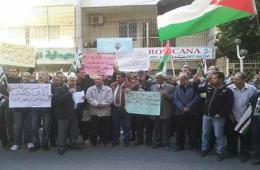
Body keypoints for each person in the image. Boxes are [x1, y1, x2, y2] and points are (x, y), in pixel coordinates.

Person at [195, 71, 234, 161]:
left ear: (220, 79)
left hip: (218, 117)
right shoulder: (209, 87)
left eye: (214, 78)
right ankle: (204, 149)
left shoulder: (227, 90)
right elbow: (198, 89)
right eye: (211, 78)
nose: (211, 79)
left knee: (218, 135)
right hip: (206, 115)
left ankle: (220, 152)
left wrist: (220, 114)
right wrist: (196, 81)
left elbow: (229, 105)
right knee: (205, 134)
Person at [226, 72, 257, 161]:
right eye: (234, 78)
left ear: (244, 80)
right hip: (232, 116)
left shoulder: (252, 89)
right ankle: (232, 151)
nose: (234, 80)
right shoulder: (229, 88)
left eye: (237, 79)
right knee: (231, 136)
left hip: (246, 118)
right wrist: (229, 113)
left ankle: (244, 154)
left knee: (245, 138)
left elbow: (254, 103)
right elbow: (225, 102)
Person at [54, 73, 81, 155]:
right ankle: (61, 146)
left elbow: (79, 100)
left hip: (75, 112)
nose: (73, 82)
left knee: (74, 130)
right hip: (64, 113)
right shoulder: (60, 89)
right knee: (62, 130)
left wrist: (83, 98)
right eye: (72, 81)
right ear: (67, 81)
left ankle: (72, 143)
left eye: (75, 81)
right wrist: (69, 93)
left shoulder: (78, 88)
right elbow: (57, 100)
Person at [173, 73, 200, 152]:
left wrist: (188, 107)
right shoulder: (177, 87)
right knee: (180, 130)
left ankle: (193, 146)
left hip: (192, 113)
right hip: (180, 112)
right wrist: (181, 107)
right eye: (179, 79)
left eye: (181, 80)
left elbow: (196, 98)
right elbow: (175, 99)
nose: (179, 81)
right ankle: (179, 145)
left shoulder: (193, 87)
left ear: (186, 79)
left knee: (192, 131)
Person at [10, 72, 35, 151]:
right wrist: (9, 91)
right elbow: (11, 94)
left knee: (29, 127)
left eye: (28, 76)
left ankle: (29, 142)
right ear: (22, 77)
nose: (25, 78)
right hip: (18, 110)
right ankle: (17, 143)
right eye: (24, 76)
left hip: (29, 110)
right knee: (17, 127)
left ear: (30, 78)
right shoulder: (15, 85)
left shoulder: (35, 86)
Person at [150, 73, 175, 150]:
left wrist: (167, 96)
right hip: (156, 112)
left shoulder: (171, 87)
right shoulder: (152, 87)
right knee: (157, 128)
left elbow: (174, 99)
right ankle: (157, 142)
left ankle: (166, 143)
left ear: (163, 79)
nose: (156, 79)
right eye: (156, 78)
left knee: (166, 129)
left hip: (166, 112)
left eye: (158, 78)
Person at [86, 75, 113, 146]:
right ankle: (93, 142)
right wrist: (97, 104)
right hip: (94, 111)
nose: (96, 80)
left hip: (105, 111)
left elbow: (110, 99)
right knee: (94, 127)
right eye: (95, 79)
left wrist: (102, 105)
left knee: (105, 127)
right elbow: (89, 98)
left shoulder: (108, 89)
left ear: (102, 81)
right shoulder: (90, 89)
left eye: (98, 79)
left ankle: (106, 142)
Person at [31, 71, 52, 151]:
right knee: (34, 127)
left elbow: (55, 95)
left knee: (46, 127)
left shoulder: (50, 85)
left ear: (46, 76)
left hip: (46, 110)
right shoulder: (32, 84)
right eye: (39, 74)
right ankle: (36, 144)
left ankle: (45, 144)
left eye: (42, 74)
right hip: (35, 110)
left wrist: (52, 95)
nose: (40, 76)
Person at [111, 72, 131, 147]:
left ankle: (126, 140)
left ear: (123, 78)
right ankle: (116, 140)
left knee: (126, 125)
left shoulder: (129, 85)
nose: (117, 79)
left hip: (125, 108)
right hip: (115, 108)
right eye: (116, 77)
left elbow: (135, 94)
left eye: (119, 77)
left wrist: (130, 91)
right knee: (116, 125)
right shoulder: (113, 85)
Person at [249, 91, 260, 165]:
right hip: (256, 120)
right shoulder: (256, 95)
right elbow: (251, 104)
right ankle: (257, 157)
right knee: (256, 139)